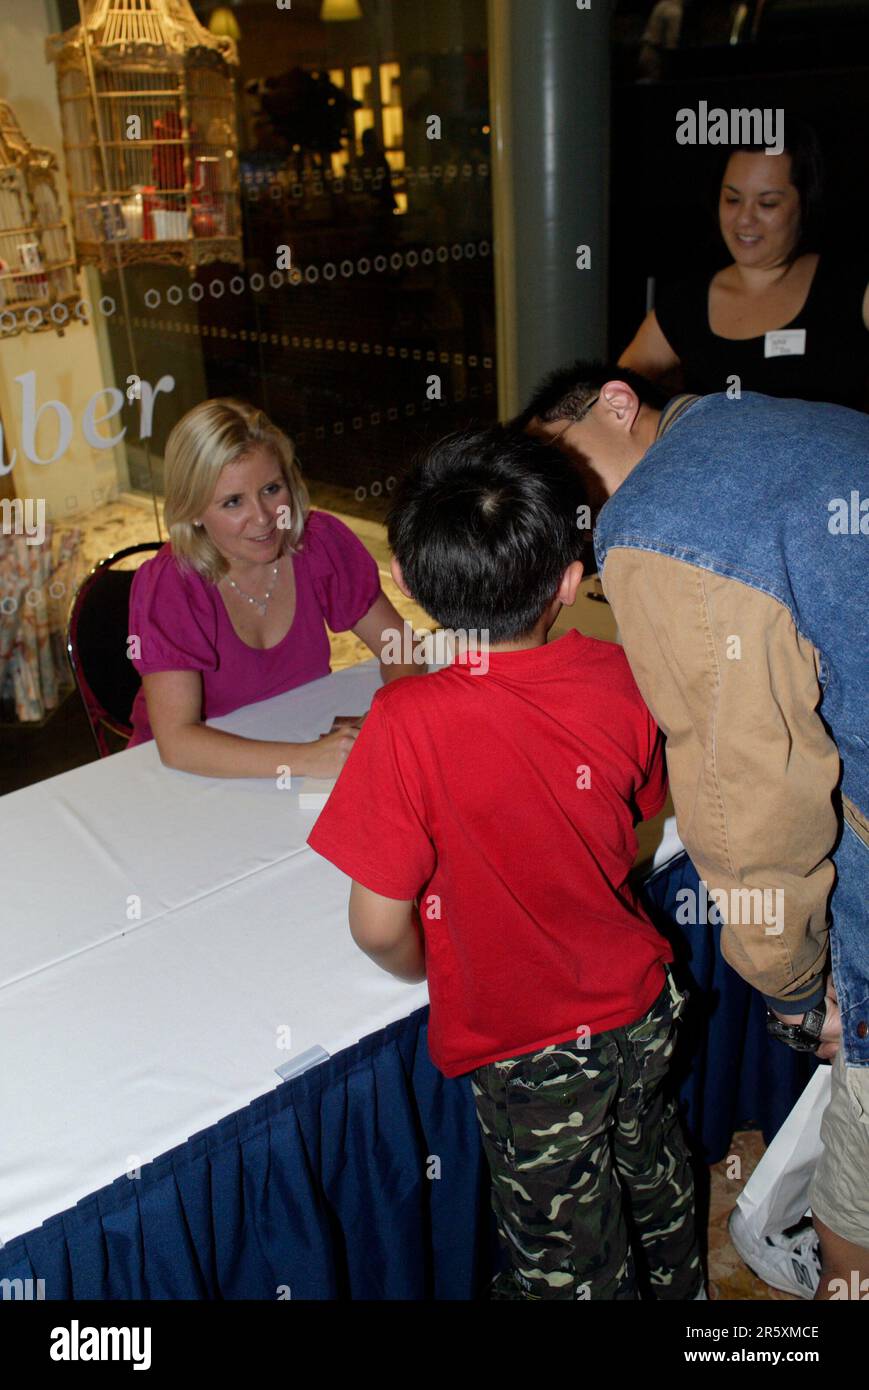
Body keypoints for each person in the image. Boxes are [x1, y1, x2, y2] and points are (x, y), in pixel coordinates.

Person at [307, 427, 704, 1301]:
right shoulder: (620, 673)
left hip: (528, 1050)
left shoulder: (404, 724)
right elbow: (635, 817)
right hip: (640, 1005)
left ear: (403, 585)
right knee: (653, 1168)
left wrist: (431, 962)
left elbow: (377, 926)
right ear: (570, 580)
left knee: (562, 1251)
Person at [523, 362, 868, 1299]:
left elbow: (745, 800)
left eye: (563, 464)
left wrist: (793, 987)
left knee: (861, 1179)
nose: (564, 506)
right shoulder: (754, 421)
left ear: (616, 404)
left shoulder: (656, 521)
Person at [127, 398, 420, 777]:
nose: (264, 518)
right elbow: (177, 743)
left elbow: (401, 647)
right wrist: (308, 760)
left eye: (271, 489)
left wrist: (379, 717)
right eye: (233, 502)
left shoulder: (319, 544)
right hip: (188, 774)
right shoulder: (171, 584)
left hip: (294, 737)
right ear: (193, 510)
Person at [619, 124, 869, 409]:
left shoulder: (851, 288)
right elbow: (612, 398)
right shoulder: (683, 305)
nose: (744, 220)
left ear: (805, 205)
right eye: (733, 199)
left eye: (768, 204)